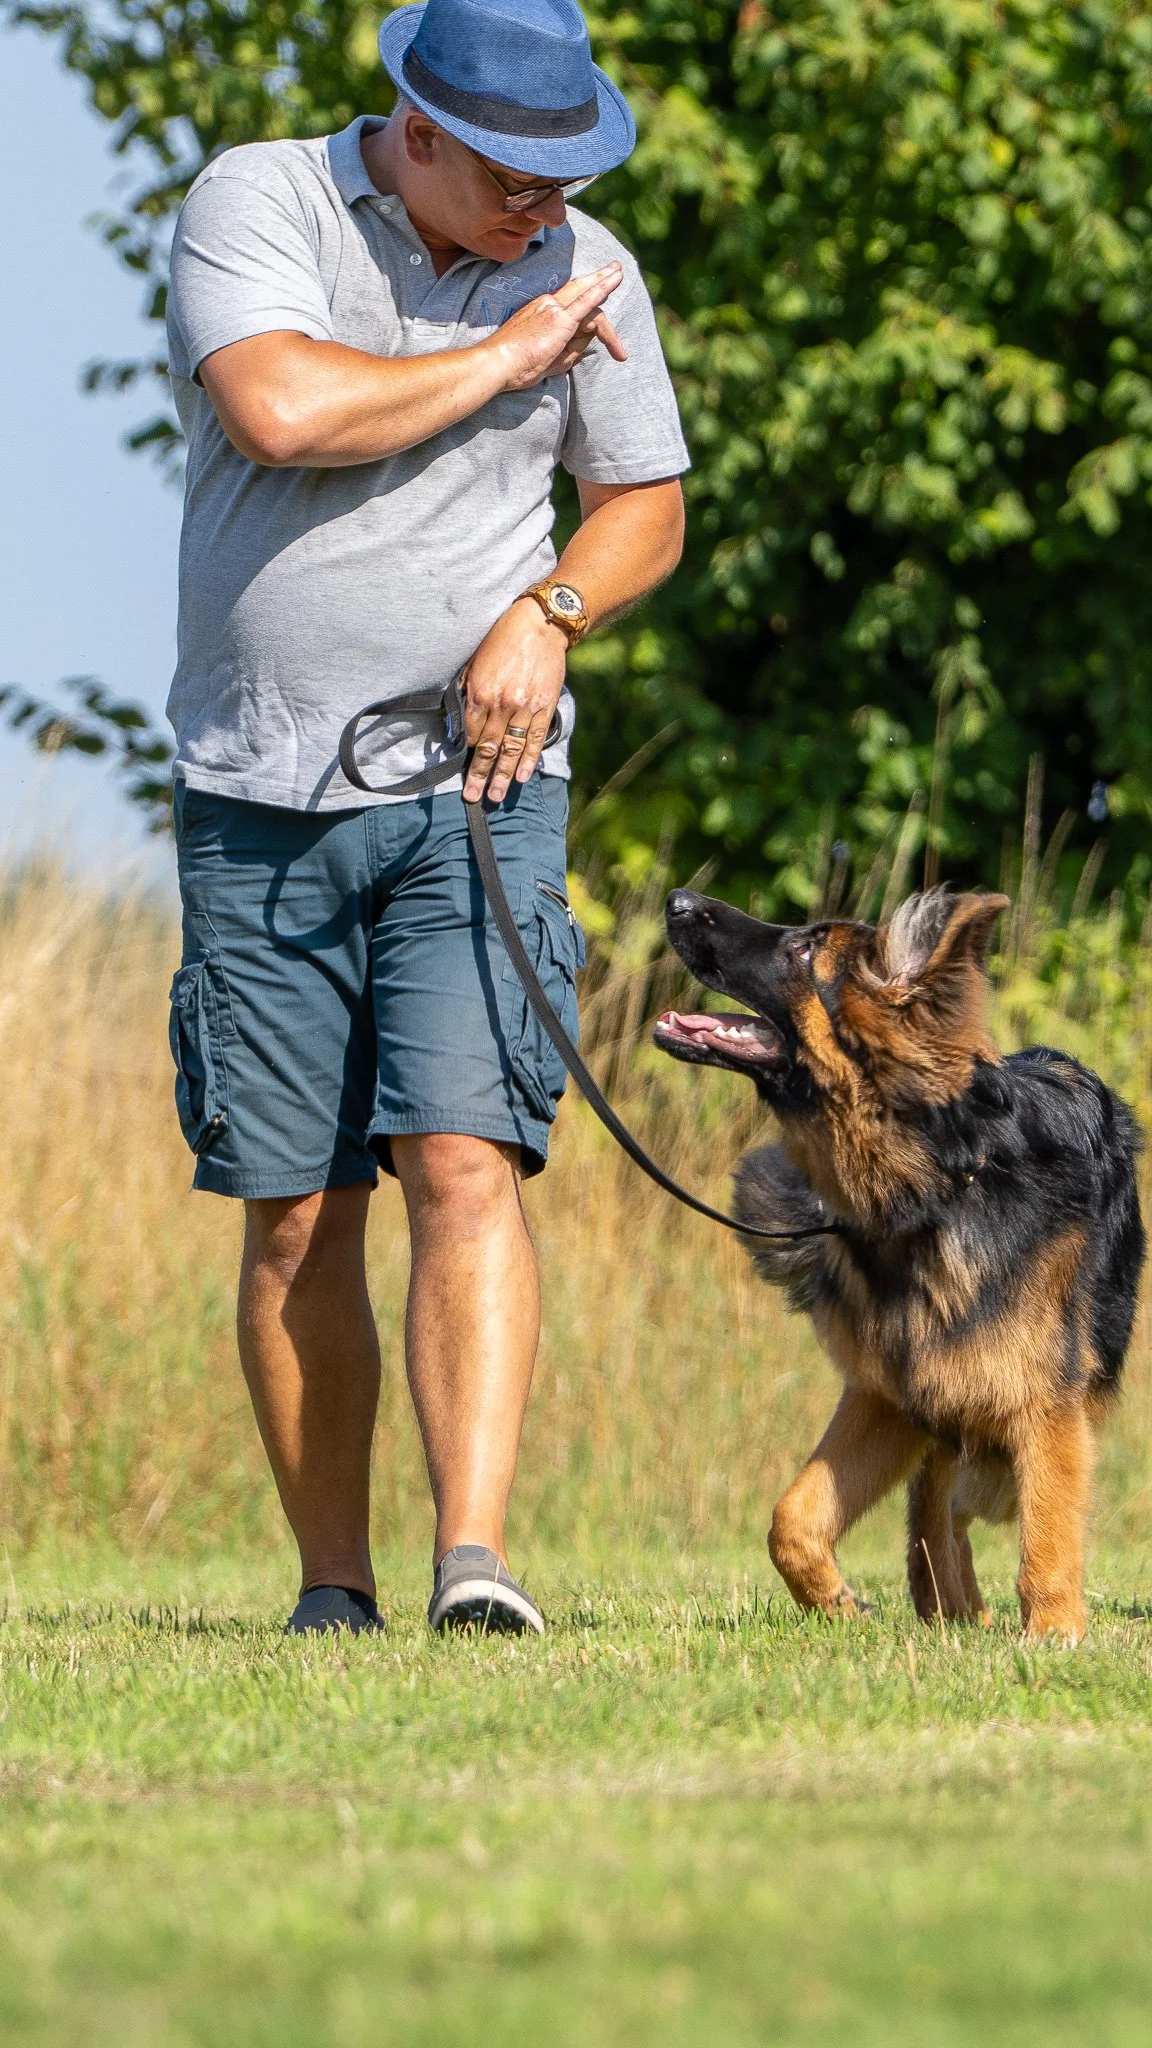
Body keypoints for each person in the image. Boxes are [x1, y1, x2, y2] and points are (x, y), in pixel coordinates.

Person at [165, 0, 689, 1636]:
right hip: (258, 791)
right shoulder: (261, 202)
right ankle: (337, 1586)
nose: (550, 206)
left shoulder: (590, 261)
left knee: (464, 1157)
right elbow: (283, 410)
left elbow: (645, 506)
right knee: (296, 1206)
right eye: (518, 176)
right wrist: (509, 356)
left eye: (568, 172)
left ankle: (477, 1567)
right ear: (419, 129)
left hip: (482, 793)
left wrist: (553, 613)